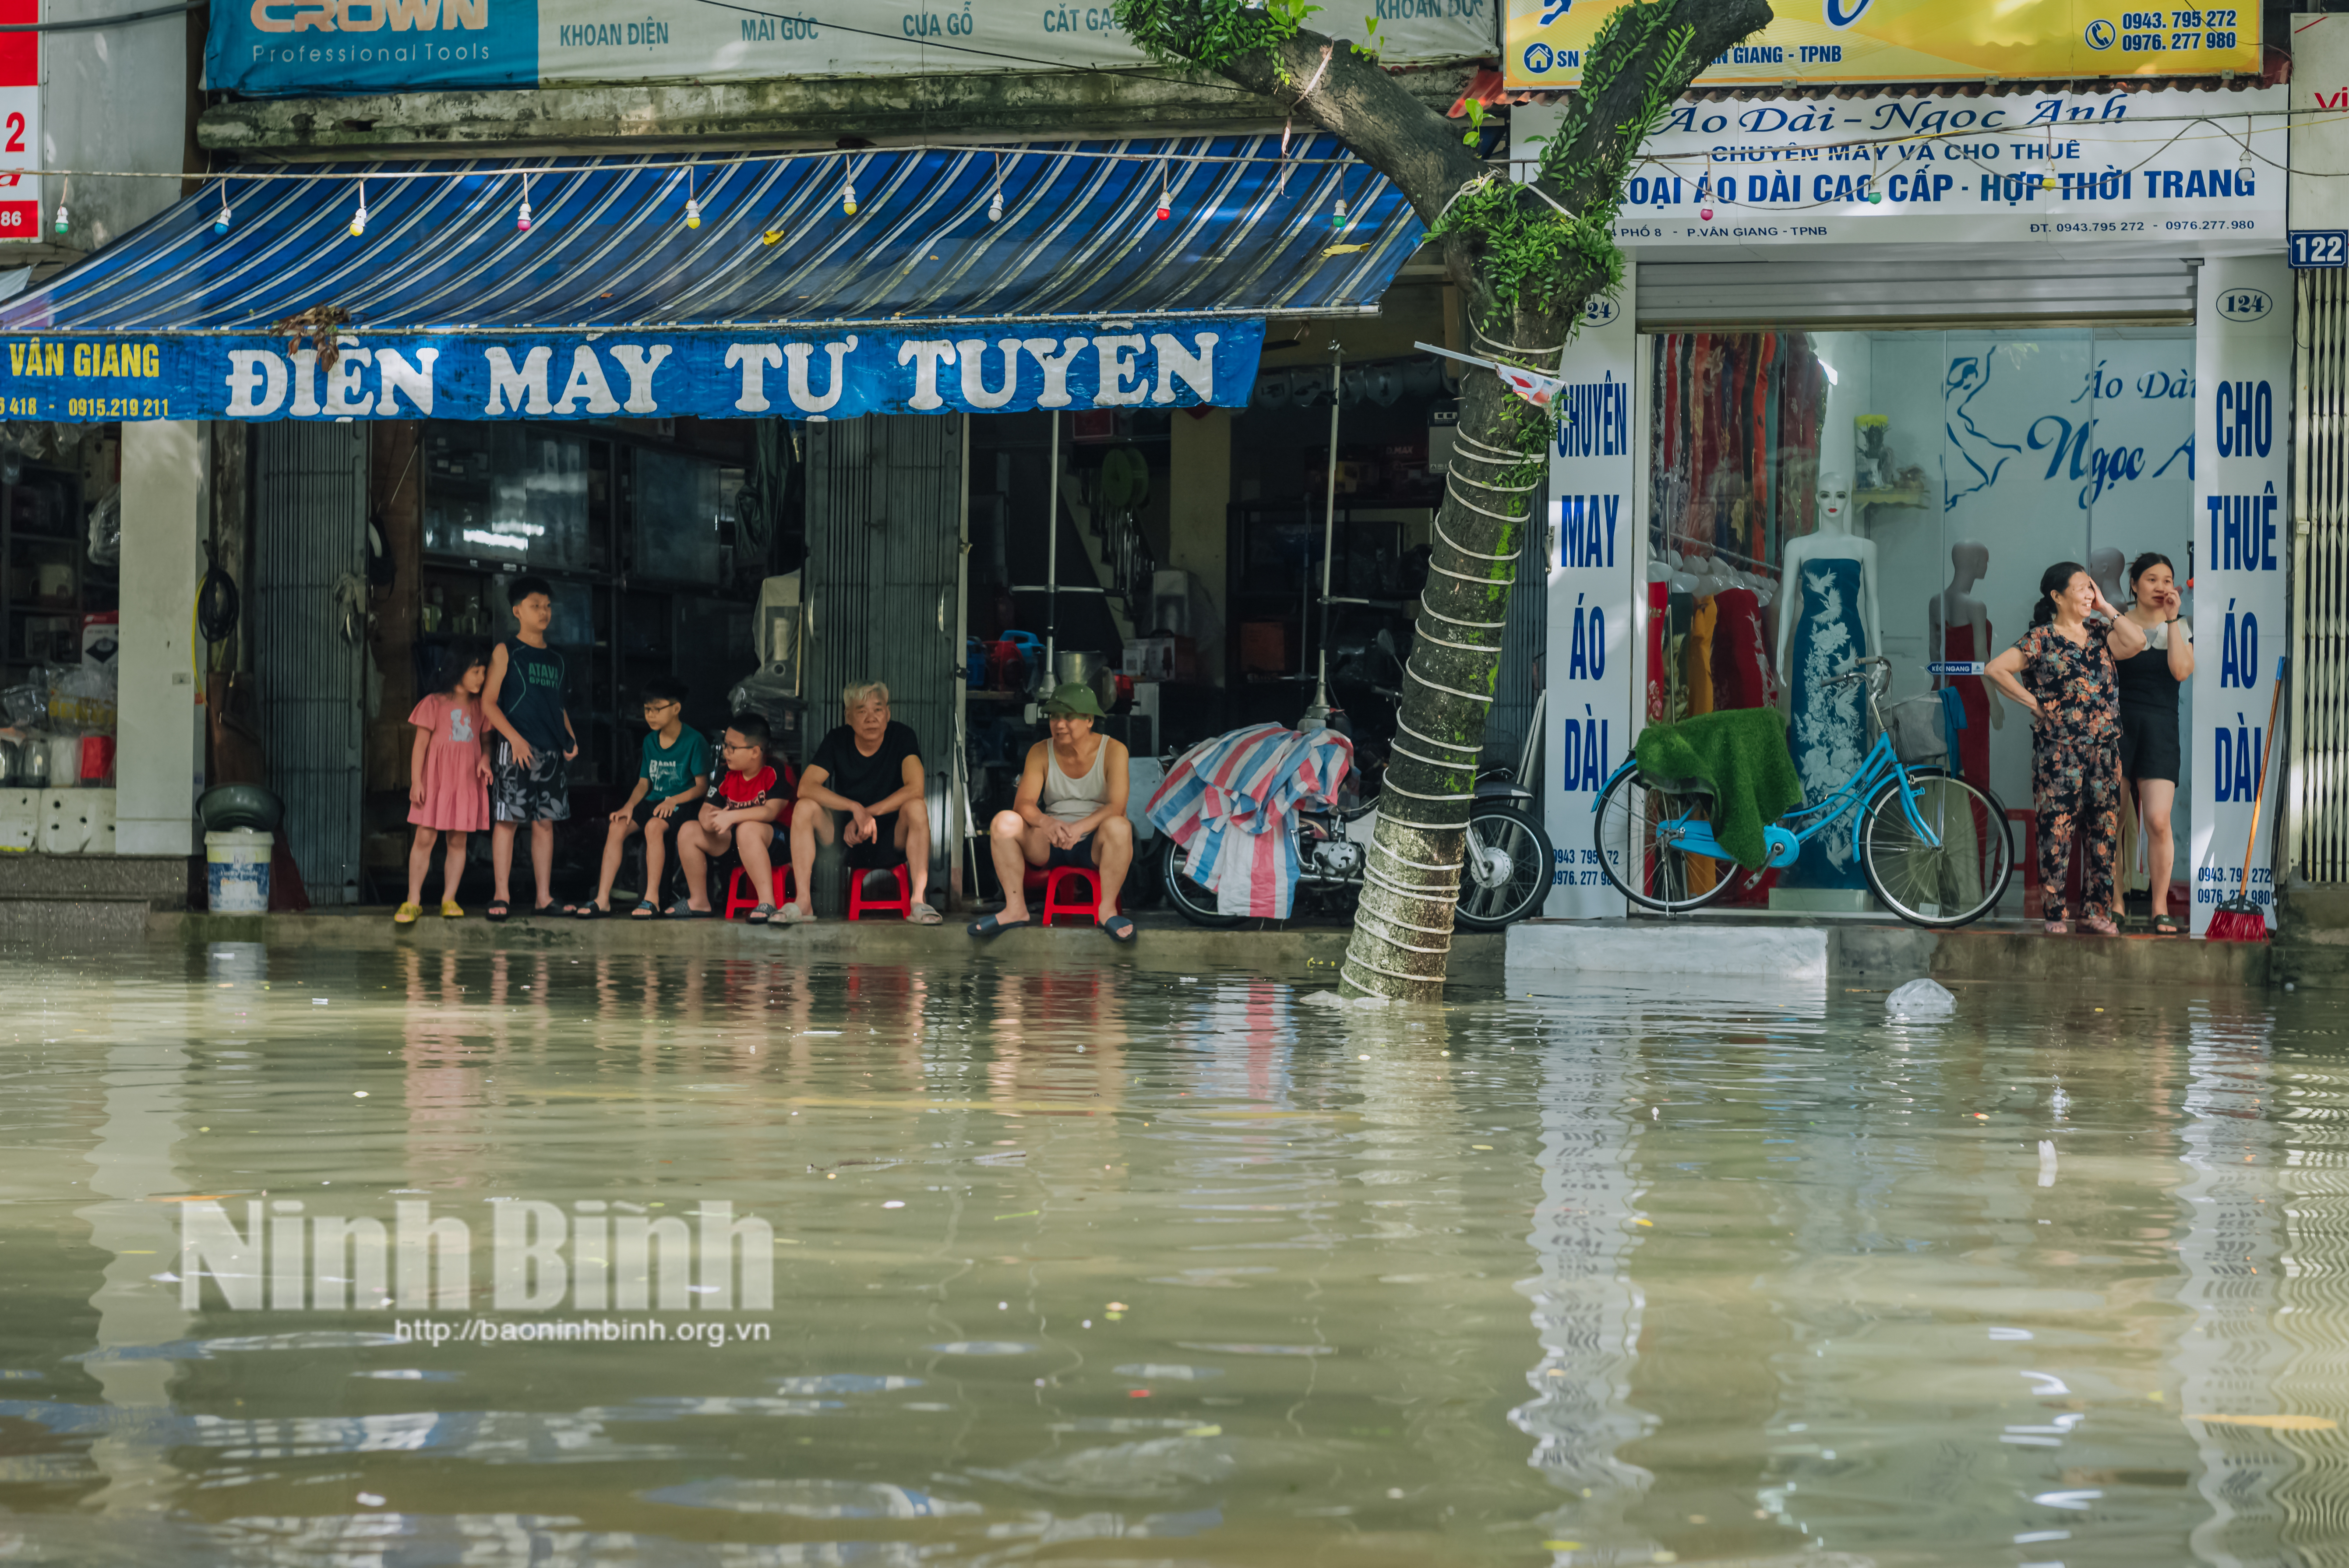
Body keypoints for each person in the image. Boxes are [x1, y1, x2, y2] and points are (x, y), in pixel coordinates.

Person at [1986, 560, 2148, 935]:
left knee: (2104, 832)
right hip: (2059, 753)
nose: (2089, 594)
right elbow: (1995, 669)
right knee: (2056, 831)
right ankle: (2056, 914)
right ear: (2057, 596)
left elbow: (2138, 641)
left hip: (2105, 749)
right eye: (2081, 589)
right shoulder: (2041, 638)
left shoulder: (2100, 634)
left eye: (2091, 587)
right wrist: (2035, 704)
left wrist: (2107, 607)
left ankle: (2096, 911)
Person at [969, 682, 1136, 941]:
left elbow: (1117, 806)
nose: (1059, 724)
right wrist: (1046, 824)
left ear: (1089, 720)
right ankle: (1015, 909)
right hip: (1050, 840)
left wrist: (1080, 828)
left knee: (1120, 826)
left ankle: (1107, 911)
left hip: (1094, 843)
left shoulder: (1114, 751)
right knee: (1004, 822)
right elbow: (1023, 804)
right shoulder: (1040, 752)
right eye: (1055, 717)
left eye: (1069, 717)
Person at [782, 681, 942, 924]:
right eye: (861, 711)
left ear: (888, 713)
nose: (871, 718)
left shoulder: (902, 736)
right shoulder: (837, 740)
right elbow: (806, 787)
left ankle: (918, 902)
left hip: (891, 838)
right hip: (845, 842)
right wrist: (854, 808)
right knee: (804, 806)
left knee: (917, 806)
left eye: (878, 710)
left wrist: (868, 814)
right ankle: (803, 901)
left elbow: (915, 788)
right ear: (848, 716)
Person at [480, 574, 578, 921]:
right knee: (507, 821)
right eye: (536, 606)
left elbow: (558, 705)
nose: (544, 612)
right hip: (514, 749)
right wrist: (516, 739)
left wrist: (570, 739)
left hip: (550, 752)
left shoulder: (557, 660)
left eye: (548, 606)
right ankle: (501, 895)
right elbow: (489, 703)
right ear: (517, 611)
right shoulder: (507, 651)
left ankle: (543, 896)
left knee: (545, 823)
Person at [583, 677, 711, 919]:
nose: (650, 715)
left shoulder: (695, 741)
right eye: (647, 710)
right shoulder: (650, 741)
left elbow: (702, 787)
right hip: (654, 802)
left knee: (654, 827)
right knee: (616, 827)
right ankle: (602, 898)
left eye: (657, 709)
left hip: (682, 804)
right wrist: (629, 806)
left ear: (676, 709)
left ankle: (650, 899)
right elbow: (644, 783)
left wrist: (674, 800)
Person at [2118, 552, 2195, 934]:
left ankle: (2159, 905)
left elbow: (2182, 671)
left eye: (2167, 579)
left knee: (2158, 821)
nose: (2162, 586)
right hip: (2117, 728)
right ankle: (2114, 900)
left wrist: (2172, 621)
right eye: (2152, 579)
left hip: (2161, 729)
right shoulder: (2115, 623)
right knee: (2112, 821)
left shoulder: (2179, 626)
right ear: (2134, 585)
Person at [396, 640, 491, 925]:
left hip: (465, 783)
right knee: (424, 838)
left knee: (458, 840)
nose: (482, 678)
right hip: (435, 783)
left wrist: (486, 759)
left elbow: (486, 742)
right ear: (459, 669)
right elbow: (420, 746)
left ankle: (449, 899)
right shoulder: (433, 703)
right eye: (477, 671)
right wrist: (416, 781)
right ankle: (413, 901)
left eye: (485, 672)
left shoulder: (481, 708)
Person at [670, 712, 790, 919]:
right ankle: (699, 901)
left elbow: (771, 812)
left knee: (748, 829)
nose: (726, 752)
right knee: (689, 831)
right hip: (735, 843)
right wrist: (710, 822)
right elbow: (706, 810)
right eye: (725, 745)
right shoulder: (726, 773)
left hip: (776, 843)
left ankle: (767, 903)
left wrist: (733, 817)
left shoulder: (775, 770)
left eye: (732, 748)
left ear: (755, 752)